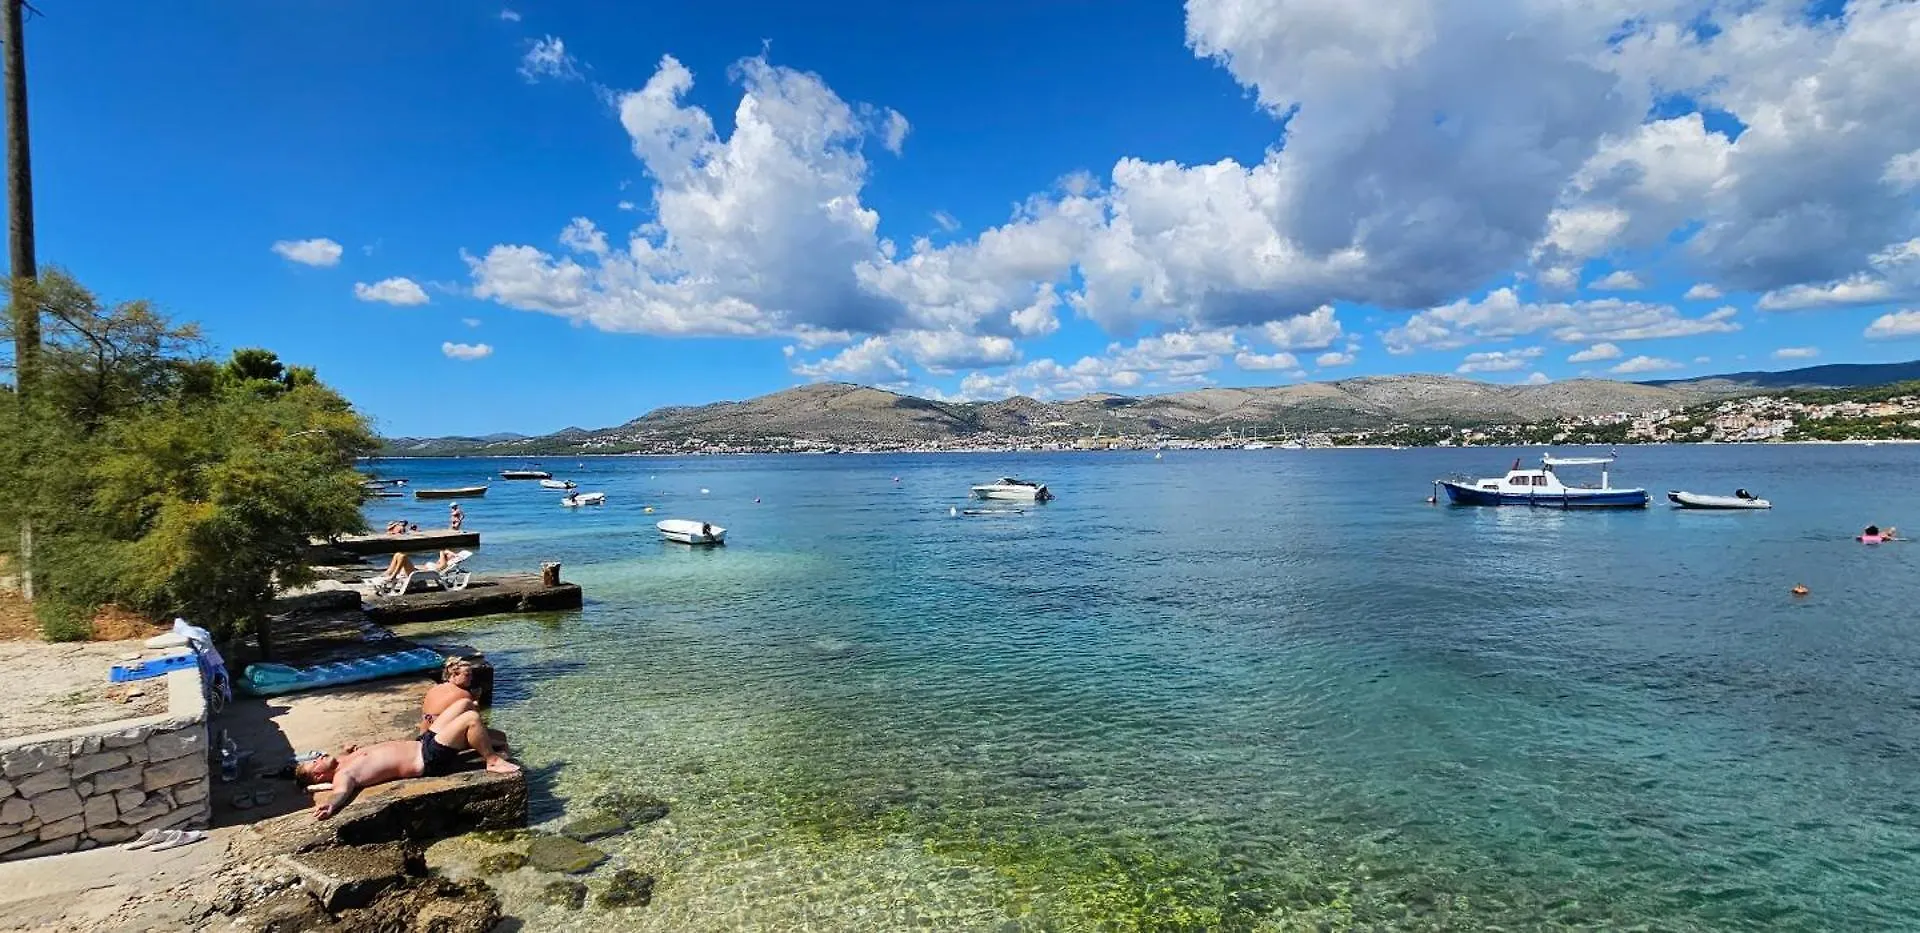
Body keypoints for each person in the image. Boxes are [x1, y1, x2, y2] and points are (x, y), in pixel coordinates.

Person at [295, 698, 519, 820]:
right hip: (428, 758)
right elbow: (340, 793)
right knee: (470, 718)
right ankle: (491, 760)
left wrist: (351, 749)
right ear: (317, 774)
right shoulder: (343, 775)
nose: (318, 756)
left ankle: (477, 739)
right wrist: (330, 806)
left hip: (423, 741)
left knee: (464, 704)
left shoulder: (344, 759)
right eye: (314, 762)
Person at [420, 657, 509, 749]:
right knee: (501, 737)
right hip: (440, 740)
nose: (471, 678)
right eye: (467, 675)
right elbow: (477, 723)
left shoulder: (434, 689)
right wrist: (476, 700)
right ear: (454, 675)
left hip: (424, 734)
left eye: (471, 675)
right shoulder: (462, 694)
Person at [379, 549, 460, 582]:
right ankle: (388, 572)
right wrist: (451, 553)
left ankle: (393, 576)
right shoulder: (437, 564)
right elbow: (445, 551)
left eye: (449, 555)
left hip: (415, 574)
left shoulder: (443, 565)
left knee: (403, 556)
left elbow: (442, 551)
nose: (448, 554)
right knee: (397, 554)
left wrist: (445, 553)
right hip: (415, 571)